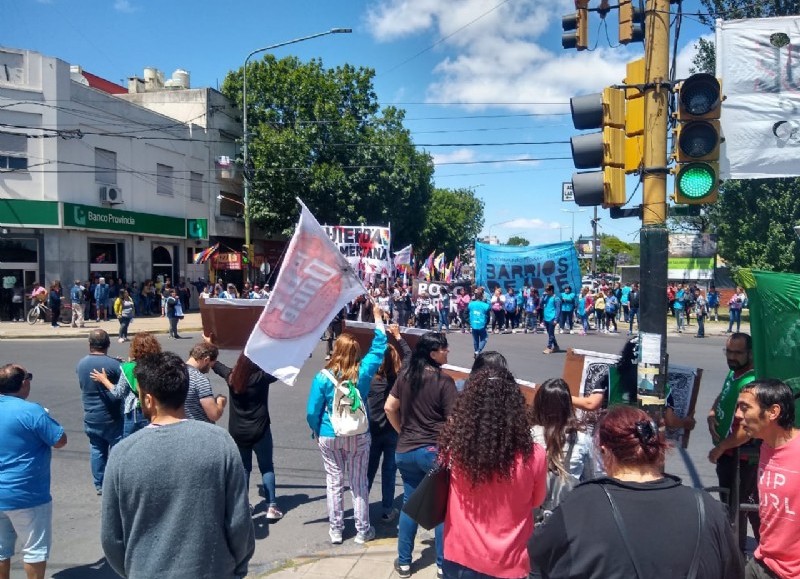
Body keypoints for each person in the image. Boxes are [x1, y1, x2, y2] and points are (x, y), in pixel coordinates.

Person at [531, 405, 743, 579]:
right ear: (657, 449)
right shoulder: (708, 509)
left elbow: (537, 563)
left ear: (604, 451)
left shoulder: (580, 506)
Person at [100, 351, 255, 579]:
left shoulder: (122, 454)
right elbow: (239, 523)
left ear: (149, 399)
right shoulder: (220, 443)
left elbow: (112, 538)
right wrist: (237, 569)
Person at [440, 367, 547, 579]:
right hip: (509, 562)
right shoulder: (535, 455)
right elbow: (537, 502)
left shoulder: (455, 449)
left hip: (459, 556)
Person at [306, 301, 386, 545]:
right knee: (359, 483)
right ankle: (363, 530)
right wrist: (377, 317)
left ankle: (337, 530)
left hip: (330, 434)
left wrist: (316, 430)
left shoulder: (323, 377)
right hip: (358, 433)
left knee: (334, 482)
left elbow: (312, 411)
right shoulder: (363, 372)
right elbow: (380, 345)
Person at [384, 332, 458, 578]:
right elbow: (454, 421)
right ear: (432, 353)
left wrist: (401, 431)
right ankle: (441, 564)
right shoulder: (444, 382)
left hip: (405, 451)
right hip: (432, 452)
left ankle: (404, 563)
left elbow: (389, 407)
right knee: (439, 509)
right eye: (444, 349)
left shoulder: (406, 376)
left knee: (409, 505)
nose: (448, 352)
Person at [0, 365, 67, 579]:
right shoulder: (32, 411)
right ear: (23, 384)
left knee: (1, 550)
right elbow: (59, 440)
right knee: (34, 550)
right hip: (27, 494)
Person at [735, 379, 800, 579]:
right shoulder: (765, 445)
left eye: (745, 408)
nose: (738, 415)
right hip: (762, 561)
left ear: (773, 412)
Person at [212, 350, 283, 520]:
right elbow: (282, 370)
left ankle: (243, 506)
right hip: (261, 429)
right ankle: (271, 507)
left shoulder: (231, 377)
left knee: (244, 468)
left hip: (238, 431)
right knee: (266, 467)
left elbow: (216, 365)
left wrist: (209, 344)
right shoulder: (261, 378)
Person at [707, 332, 760, 552]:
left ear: (750, 353)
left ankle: (736, 558)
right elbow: (723, 395)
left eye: (737, 353)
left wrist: (720, 448)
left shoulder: (751, 383)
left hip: (739, 457)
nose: (731, 357)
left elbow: (746, 430)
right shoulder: (734, 373)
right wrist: (712, 412)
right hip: (730, 455)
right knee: (746, 507)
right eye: (728, 351)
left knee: (736, 510)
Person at [367, 324, 410, 523]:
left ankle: (362, 507)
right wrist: (398, 336)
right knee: (389, 471)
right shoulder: (399, 380)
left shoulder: (369, 380)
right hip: (393, 430)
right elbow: (409, 357)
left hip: (372, 430)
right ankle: (387, 508)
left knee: (368, 471)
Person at [75, 329, 122, 494]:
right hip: (112, 417)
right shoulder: (114, 365)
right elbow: (121, 390)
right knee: (117, 450)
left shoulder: (81, 364)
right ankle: (116, 483)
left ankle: (100, 484)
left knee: (97, 449)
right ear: (108, 344)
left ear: (90, 345)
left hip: (91, 416)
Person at [90, 333, 161, 438]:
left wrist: (104, 380)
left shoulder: (128, 368)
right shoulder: (159, 365)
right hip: (153, 410)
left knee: (129, 446)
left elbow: (118, 392)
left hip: (133, 413)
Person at [531, 378, 595, 491]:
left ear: (539, 404)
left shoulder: (530, 435)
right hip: (568, 503)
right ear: (568, 406)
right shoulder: (582, 439)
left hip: (536, 501)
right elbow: (589, 478)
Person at [185, 342, 226, 423]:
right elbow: (214, 414)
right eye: (210, 365)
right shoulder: (199, 379)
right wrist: (220, 401)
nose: (208, 370)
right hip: (199, 429)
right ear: (206, 360)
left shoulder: (174, 373)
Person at [467, 287, 490, 358]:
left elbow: (466, 313)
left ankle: (476, 351)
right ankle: (478, 351)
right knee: (484, 338)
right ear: (482, 296)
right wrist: (486, 323)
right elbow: (488, 316)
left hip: (473, 323)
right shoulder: (486, 305)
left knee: (475, 339)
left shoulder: (470, 304)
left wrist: (469, 321)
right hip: (482, 324)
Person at [542, 284, 560, 354]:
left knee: (551, 333)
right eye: (545, 290)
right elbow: (540, 304)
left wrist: (556, 319)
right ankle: (556, 346)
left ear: (551, 290)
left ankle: (549, 347)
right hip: (546, 317)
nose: (545, 292)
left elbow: (558, 310)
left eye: (547, 290)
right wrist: (543, 297)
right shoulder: (546, 297)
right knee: (550, 333)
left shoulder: (556, 299)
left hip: (552, 318)